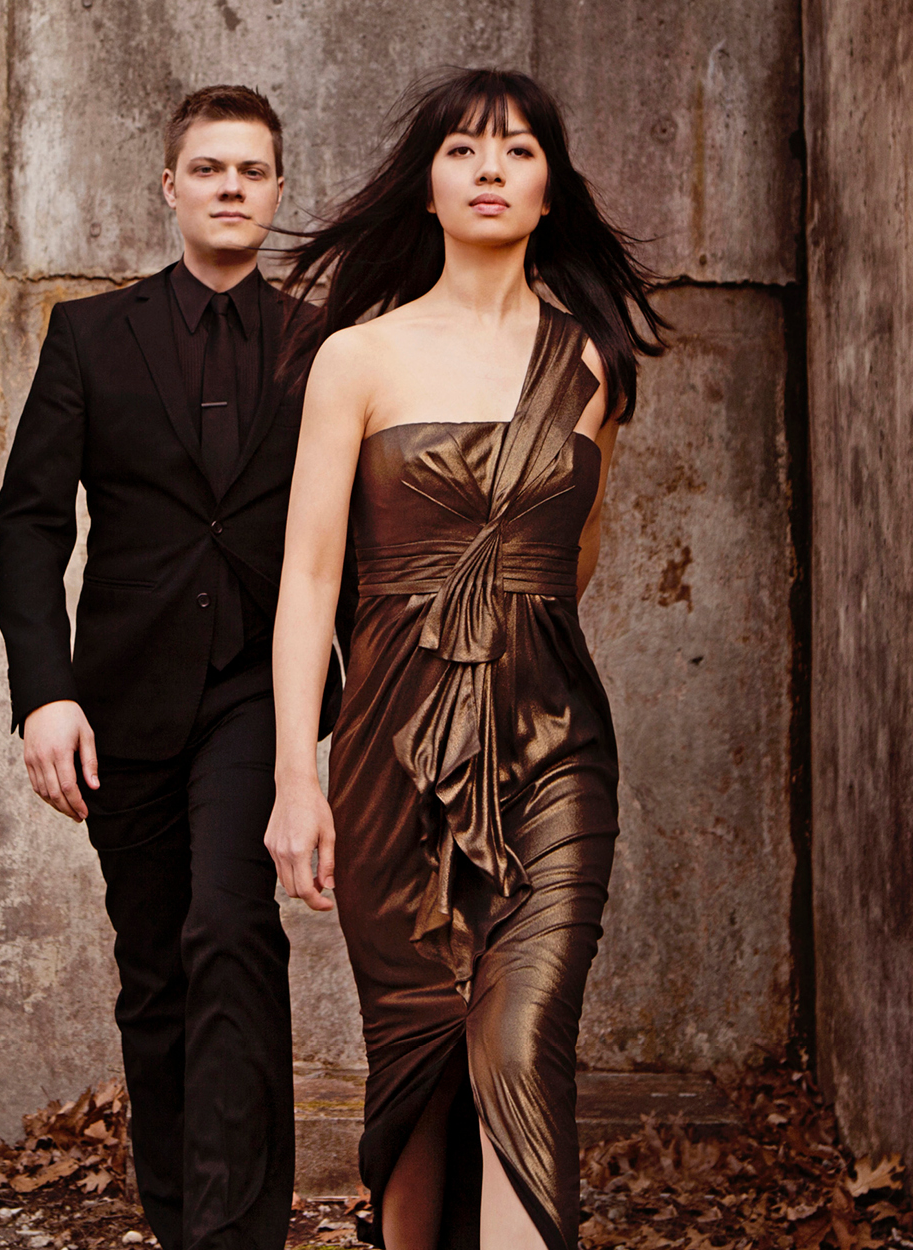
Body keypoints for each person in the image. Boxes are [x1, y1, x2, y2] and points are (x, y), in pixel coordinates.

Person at [264, 69, 666, 1250]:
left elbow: (568, 560)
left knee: (519, 1036)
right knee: (423, 1056)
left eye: (519, 150)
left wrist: (502, 644)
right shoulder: (354, 358)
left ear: (550, 192)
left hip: (553, 747)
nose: (490, 168)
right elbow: (305, 582)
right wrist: (299, 774)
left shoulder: (592, 369)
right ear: (426, 188)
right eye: (462, 150)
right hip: (386, 749)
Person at [0, 85, 347, 1250]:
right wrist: (45, 692)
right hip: (124, 697)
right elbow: (30, 522)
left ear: (279, 192)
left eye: (252, 170)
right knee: (153, 970)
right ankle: (179, 1220)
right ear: (170, 187)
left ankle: (234, 1235)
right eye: (208, 169)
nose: (231, 187)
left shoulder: (323, 346)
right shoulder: (89, 336)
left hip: (259, 682)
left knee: (229, 928)